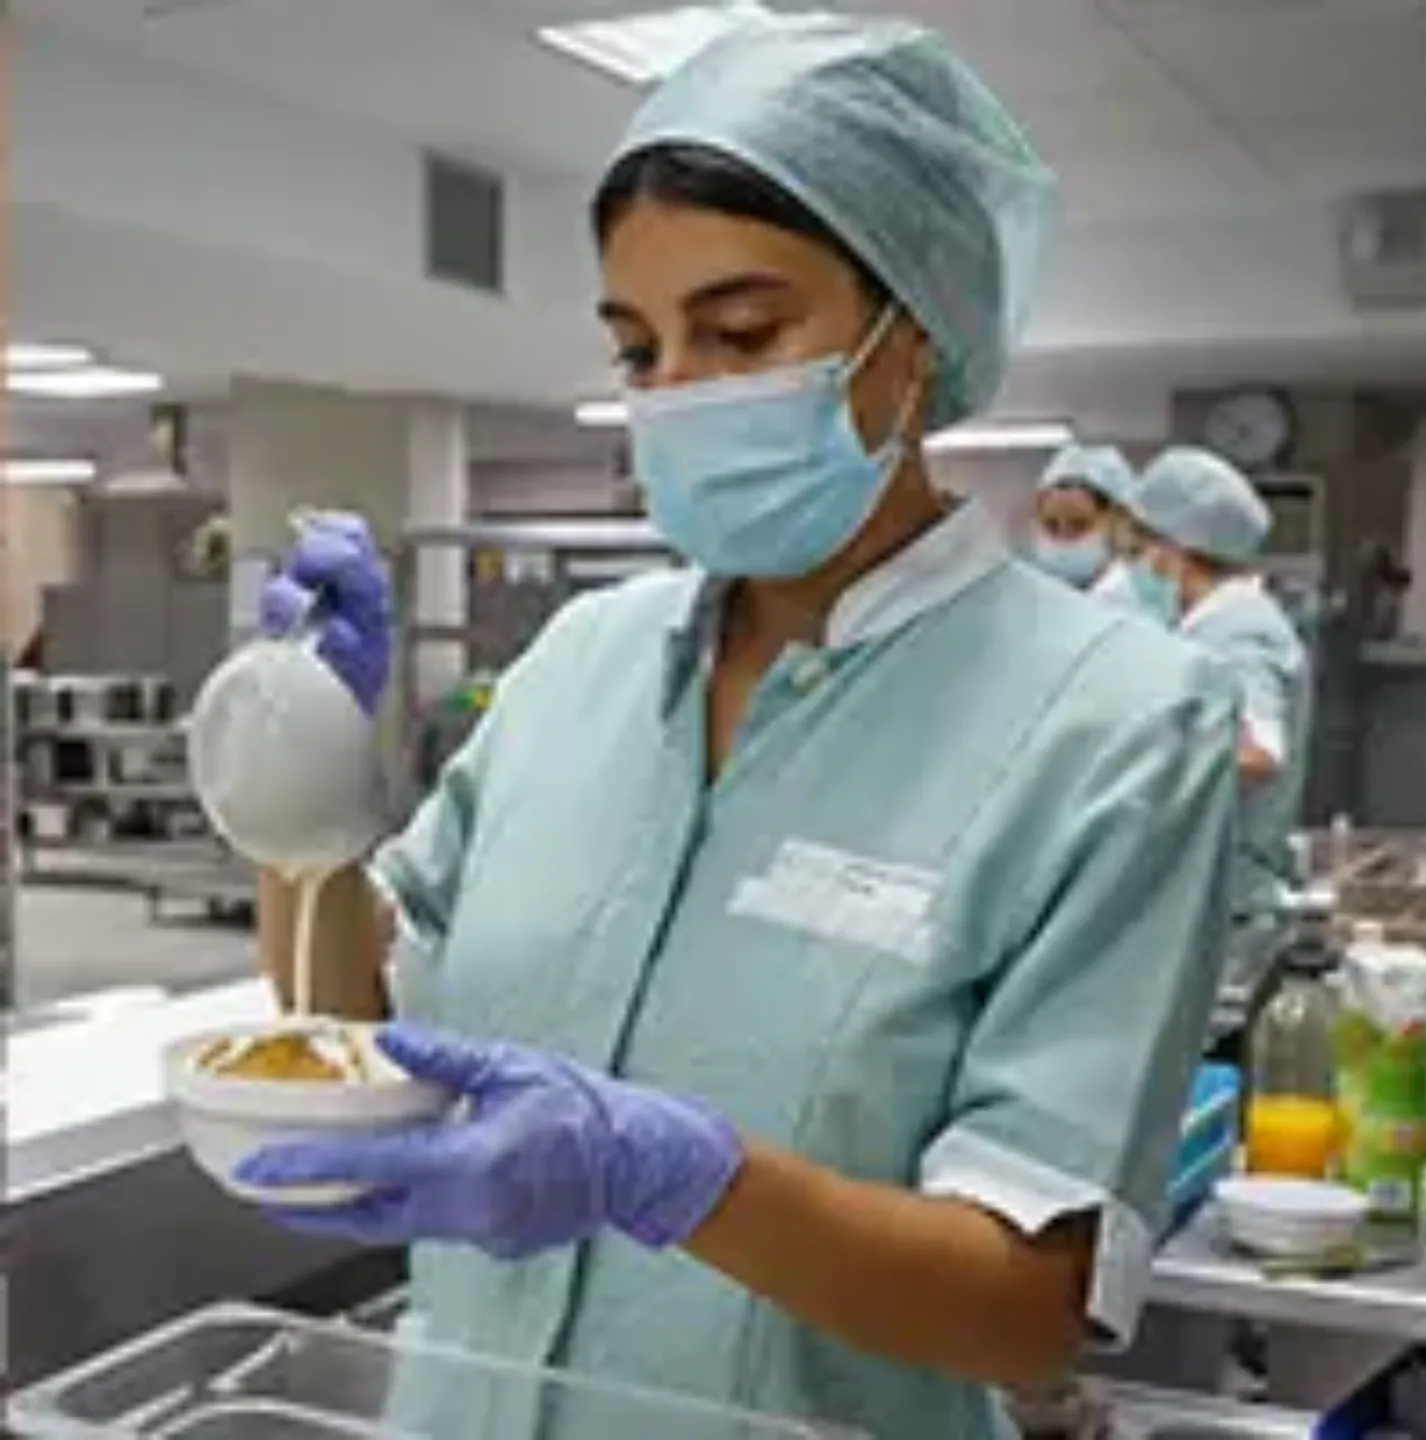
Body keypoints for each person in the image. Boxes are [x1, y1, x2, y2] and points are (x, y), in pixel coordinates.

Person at [238, 17, 1239, 1439]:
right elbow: (356, 1043)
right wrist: (310, 808)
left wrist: (683, 1180)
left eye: (744, 332)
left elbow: (1036, 1301)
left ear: (919, 335)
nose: (678, 396)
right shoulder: (579, 666)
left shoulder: (1117, 725)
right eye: (641, 349)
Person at [1126, 445, 1311, 919]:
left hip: (1231, 900)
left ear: (1174, 552)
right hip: (1213, 894)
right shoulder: (1209, 629)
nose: (1135, 568)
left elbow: (1259, 754)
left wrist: (1136, 763)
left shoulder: (1240, 630)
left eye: (1139, 550)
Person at [1030, 444, 1138, 592]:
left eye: (1079, 525)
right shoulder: (1034, 599)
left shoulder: (1141, 603)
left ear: (1118, 525)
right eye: (1051, 525)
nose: (1063, 538)